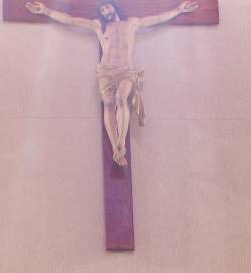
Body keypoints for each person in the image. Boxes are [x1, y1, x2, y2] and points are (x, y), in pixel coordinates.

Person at [23, 1, 200, 167]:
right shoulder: (99, 26)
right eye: (102, 10)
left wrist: (178, 10)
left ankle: (121, 142)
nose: (105, 12)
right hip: (105, 71)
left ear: (113, 5)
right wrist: (46, 11)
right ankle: (115, 146)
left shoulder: (132, 23)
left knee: (121, 98)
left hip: (125, 70)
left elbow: (158, 18)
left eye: (107, 7)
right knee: (108, 103)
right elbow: (72, 20)